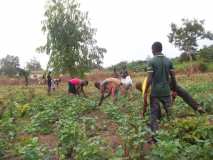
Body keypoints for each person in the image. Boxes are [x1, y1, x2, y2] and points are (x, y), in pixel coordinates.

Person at [143, 42, 177, 132]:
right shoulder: (169, 61)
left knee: (154, 114)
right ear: (161, 49)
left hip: (155, 93)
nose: (151, 51)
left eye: (152, 49)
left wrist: (145, 91)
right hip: (166, 91)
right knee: (170, 113)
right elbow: (173, 77)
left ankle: (155, 135)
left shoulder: (151, 61)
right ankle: (175, 132)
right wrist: (174, 90)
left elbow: (149, 79)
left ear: (154, 49)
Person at [135, 79, 205, 114]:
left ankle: (167, 114)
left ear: (139, 88)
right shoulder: (145, 80)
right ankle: (197, 106)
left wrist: (143, 113)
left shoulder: (144, 89)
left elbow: (145, 104)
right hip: (167, 79)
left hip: (163, 85)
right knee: (183, 93)